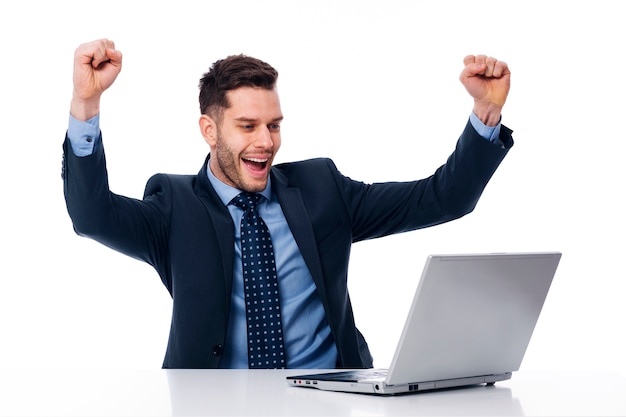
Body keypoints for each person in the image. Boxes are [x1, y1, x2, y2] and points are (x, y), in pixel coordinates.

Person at [62, 38, 513, 369]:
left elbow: (443, 197)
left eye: (274, 126)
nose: (265, 142)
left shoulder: (321, 189)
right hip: (218, 405)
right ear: (209, 130)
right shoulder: (174, 207)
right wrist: (87, 103)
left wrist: (486, 112)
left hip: (330, 398)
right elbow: (91, 216)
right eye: (248, 125)